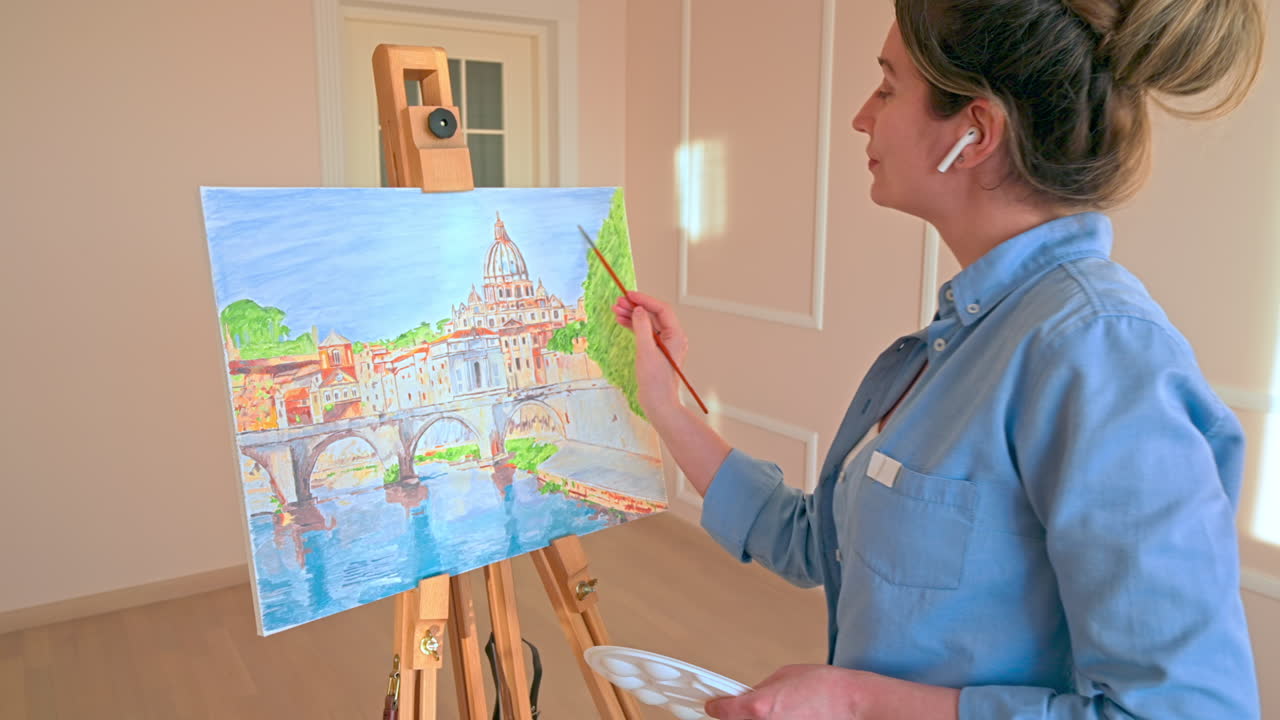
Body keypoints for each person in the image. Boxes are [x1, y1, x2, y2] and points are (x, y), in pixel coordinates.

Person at [613, 0, 1266, 717]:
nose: (861, 117)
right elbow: (818, 543)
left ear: (975, 131)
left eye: (887, 87)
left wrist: (855, 702)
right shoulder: (966, 335)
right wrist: (664, 406)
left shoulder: (1100, 353)